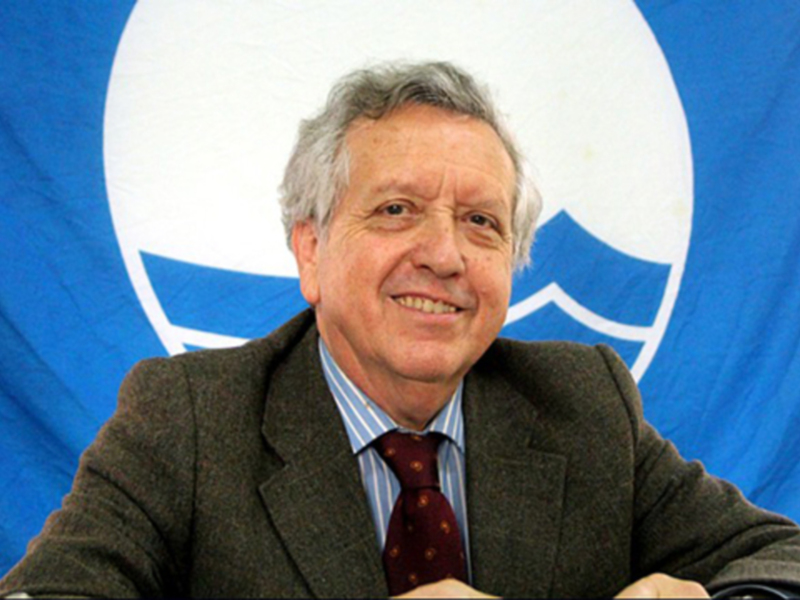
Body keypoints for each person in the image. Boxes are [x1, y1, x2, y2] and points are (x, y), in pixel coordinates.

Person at [2, 61, 800, 599]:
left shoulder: (581, 403)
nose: (445, 256)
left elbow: (782, 559)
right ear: (310, 251)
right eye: (396, 210)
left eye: (481, 222)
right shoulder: (189, 421)